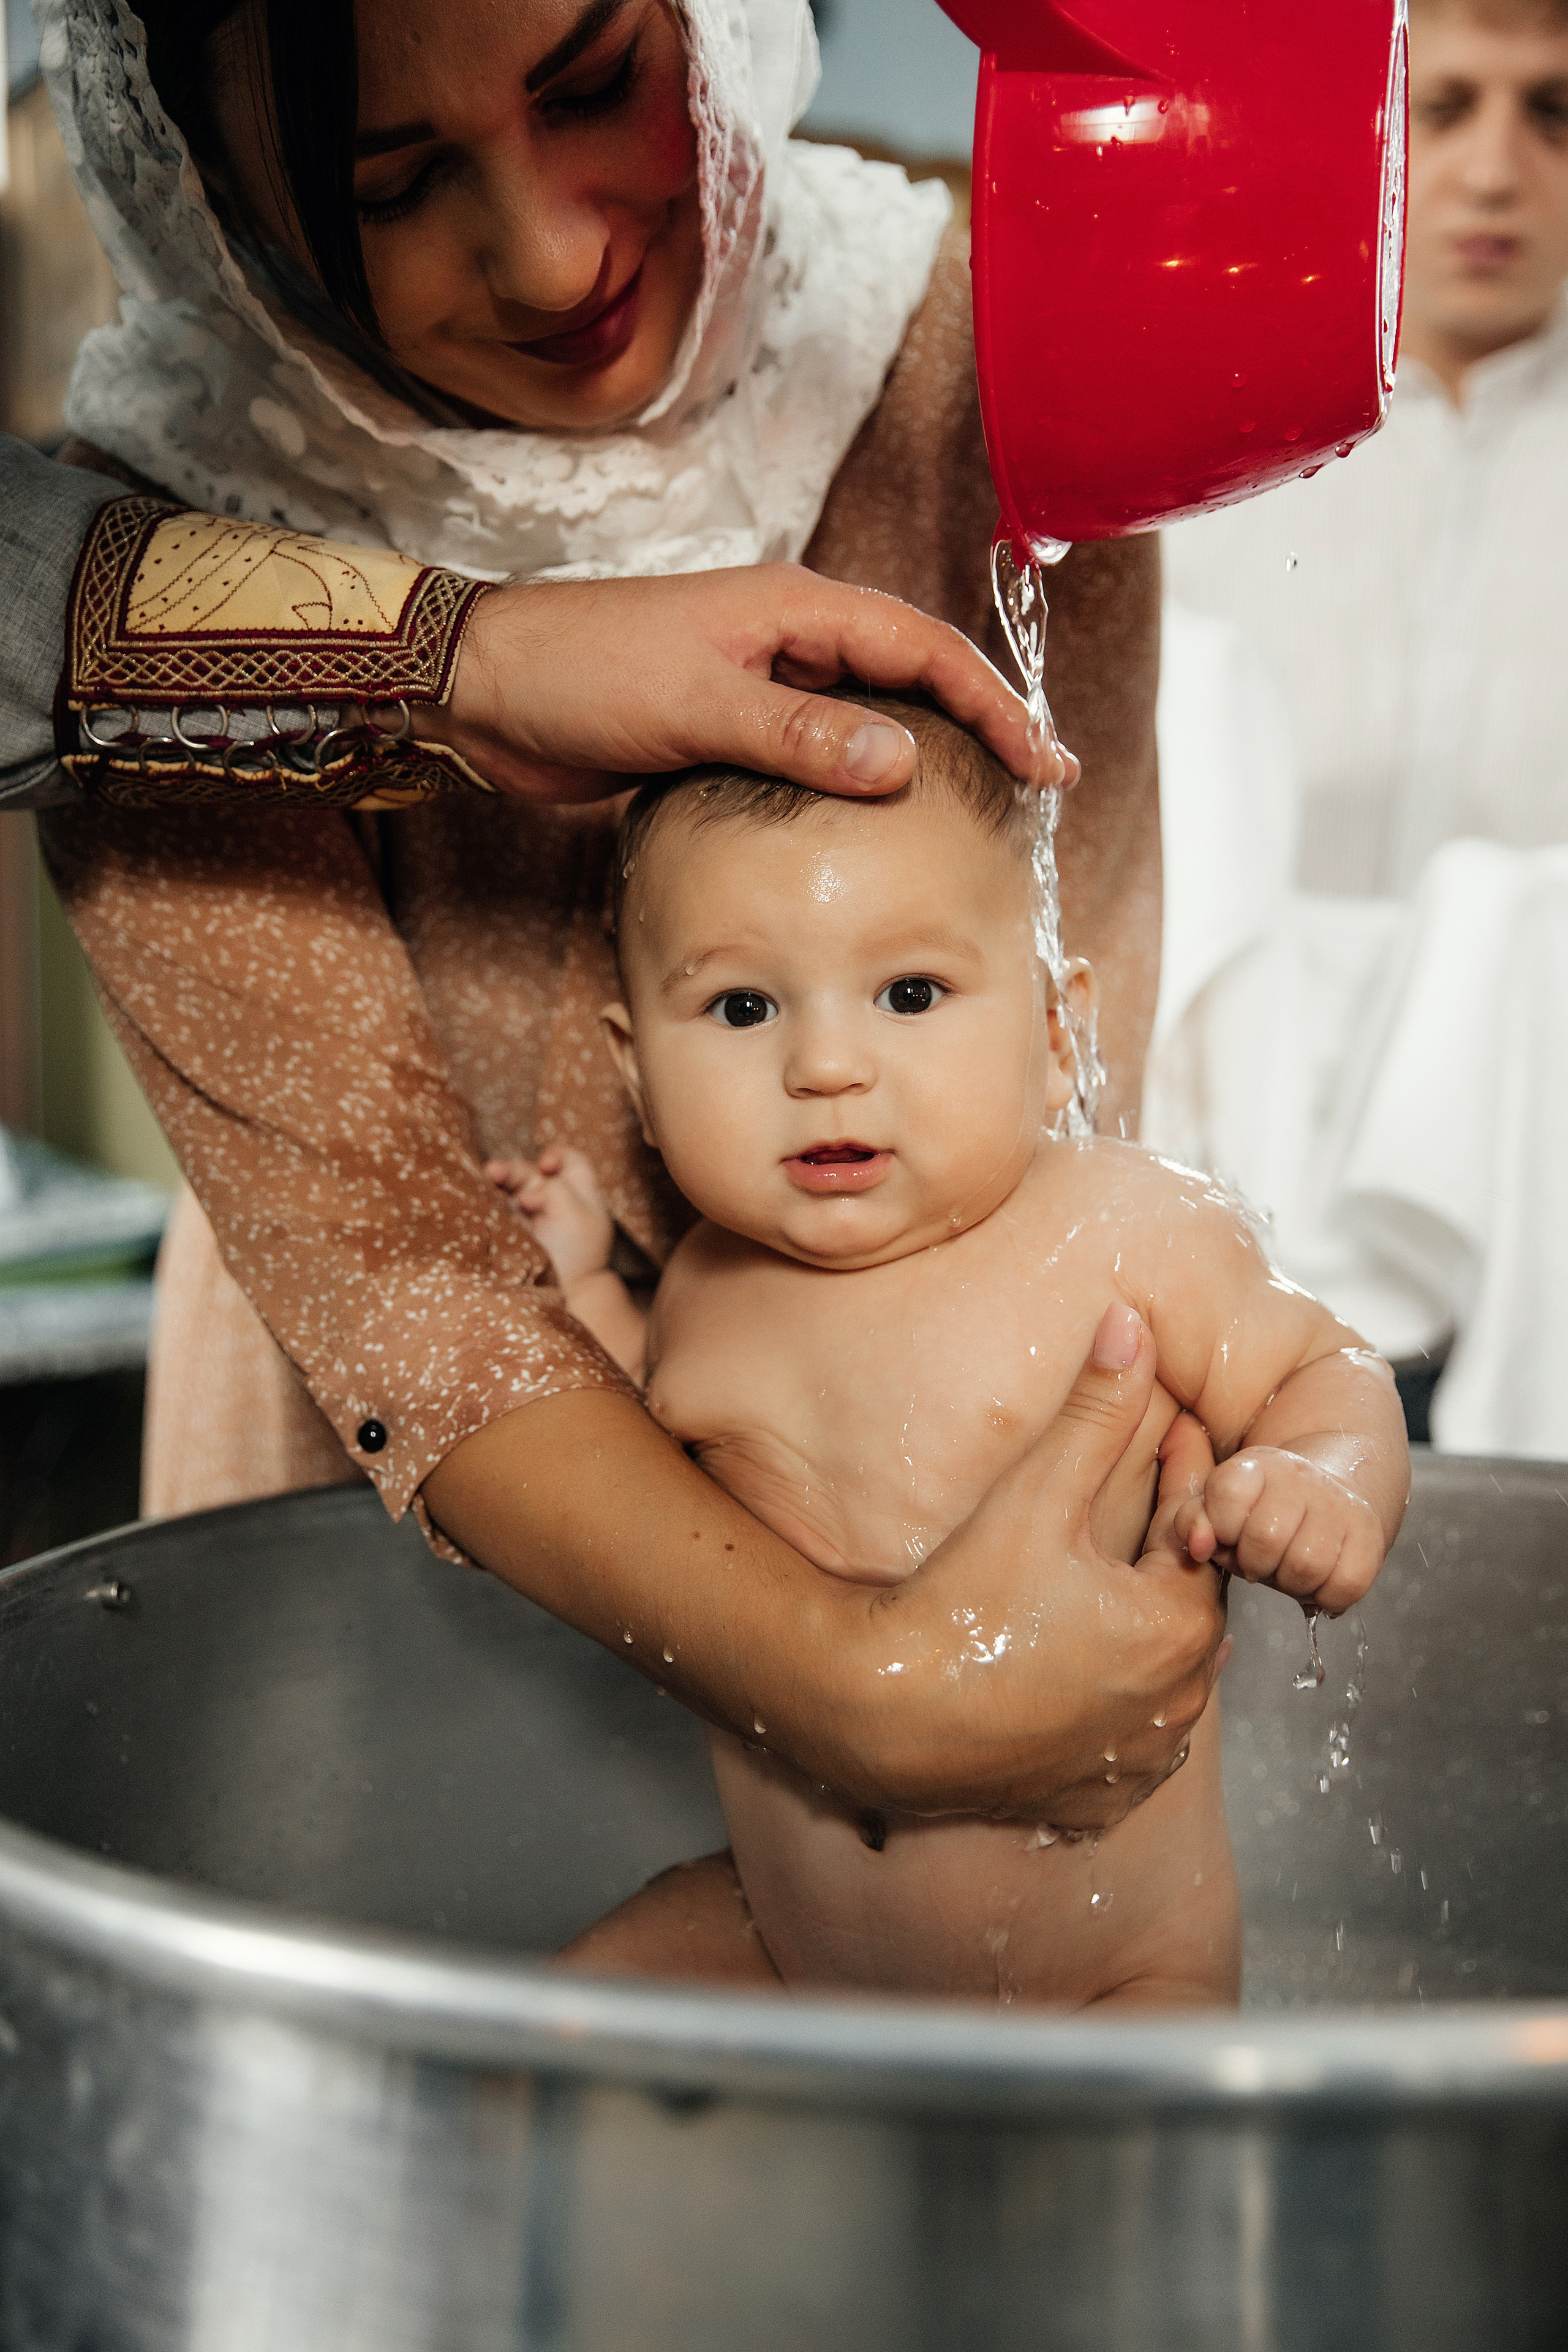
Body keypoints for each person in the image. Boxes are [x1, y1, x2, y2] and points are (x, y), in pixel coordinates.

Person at [1, 0, 1226, 1936]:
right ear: (228, 215)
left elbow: (1068, 998)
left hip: (936, 1457)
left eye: (593, 85)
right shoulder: (146, 564)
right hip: (407, 1498)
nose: (555, 253)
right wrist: (864, 1689)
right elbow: (403, 1277)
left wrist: (986, 1570)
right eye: (394, 191)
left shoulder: (977, 352)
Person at [490, 698, 1409, 1999]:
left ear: (1051, 1036)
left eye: (908, 993)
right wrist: (582, 1286)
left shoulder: (1126, 1226)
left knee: (1134, 2182)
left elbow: (1329, 1368)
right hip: (790, 1942)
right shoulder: (703, 1283)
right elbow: (638, 1460)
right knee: (555, 2028)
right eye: (743, 1007)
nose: (824, 1063)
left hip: (1113, 1975)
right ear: (637, 1079)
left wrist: (1322, 1480)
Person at [1153, 0, 1568, 1444]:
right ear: (1376, 122)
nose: (1499, 171)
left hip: (1542, 1214)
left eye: (1553, 113)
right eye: (1447, 107)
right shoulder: (1227, 429)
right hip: (1225, 1207)